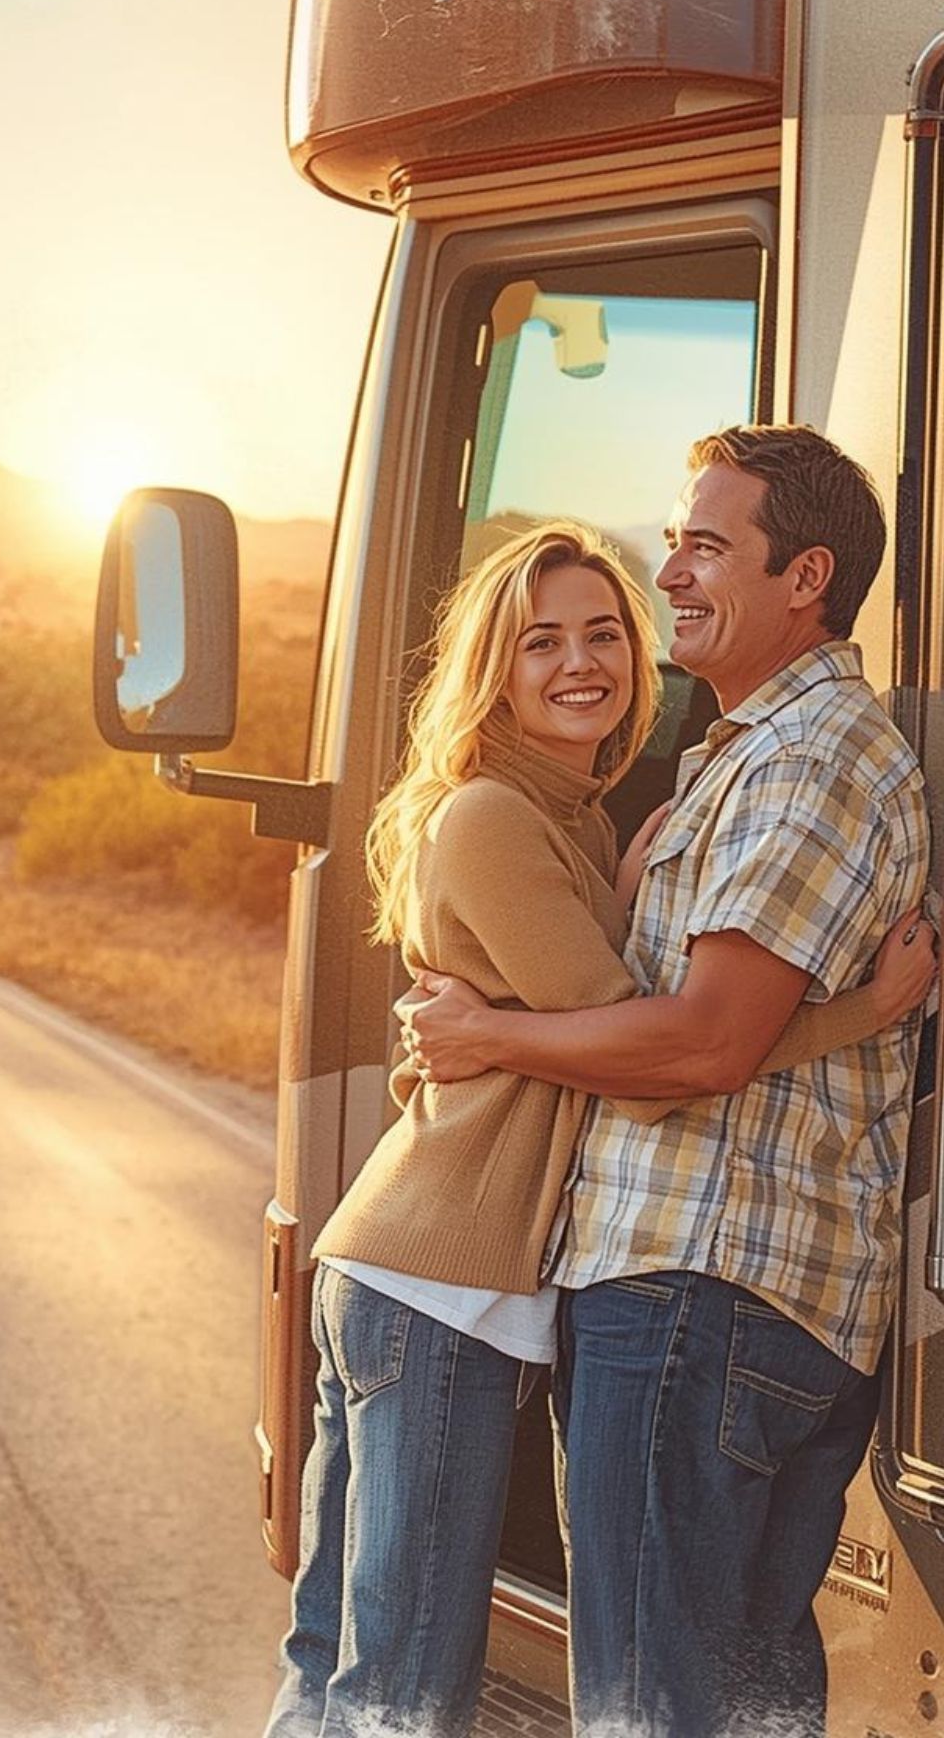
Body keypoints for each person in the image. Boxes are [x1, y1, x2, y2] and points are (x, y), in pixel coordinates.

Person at [262, 514, 931, 1738]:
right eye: (541, 643)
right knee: (401, 1681)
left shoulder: (577, 819)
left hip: (422, 1281)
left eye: (604, 633)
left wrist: (624, 887)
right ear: (494, 672)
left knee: (342, 1666)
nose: (583, 662)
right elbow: (657, 1057)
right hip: (439, 1282)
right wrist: (856, 1016)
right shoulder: (494, 820)